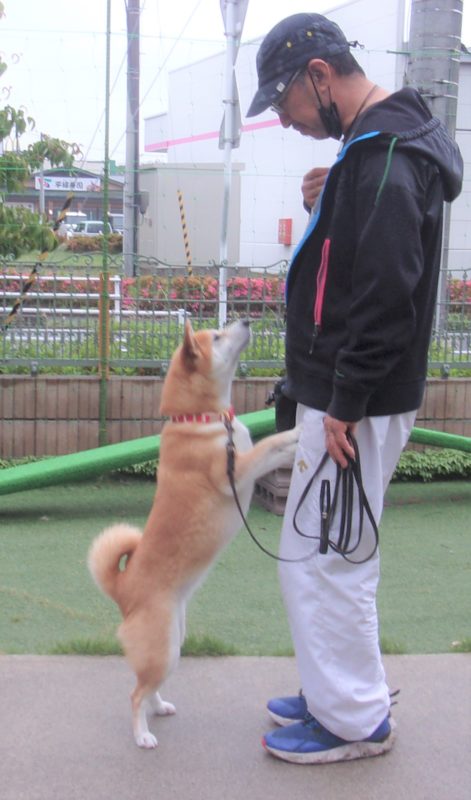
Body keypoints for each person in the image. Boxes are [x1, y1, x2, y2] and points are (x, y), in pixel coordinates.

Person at [246, 12, 463, 764]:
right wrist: (327, 204)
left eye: (285, 104)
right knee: (325, 551)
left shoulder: (384, 159)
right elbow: (362, 262)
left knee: (327, 557)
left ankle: (351, 721)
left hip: (356, 402)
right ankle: (337, 692)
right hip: (356, 394)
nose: (286, 121)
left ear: (319, 76)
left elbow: (385, 292)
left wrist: (343, 401)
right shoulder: (372, 151)